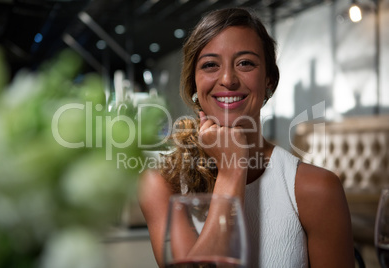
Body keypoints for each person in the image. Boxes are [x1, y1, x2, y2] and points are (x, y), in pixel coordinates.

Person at [139, 7, 355, 268]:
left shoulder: (317, 190)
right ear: (193, 85)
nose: (228, 79)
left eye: (245, 63)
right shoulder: (162, 185)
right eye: (210, 65)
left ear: (269, 81)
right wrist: (231, 172)